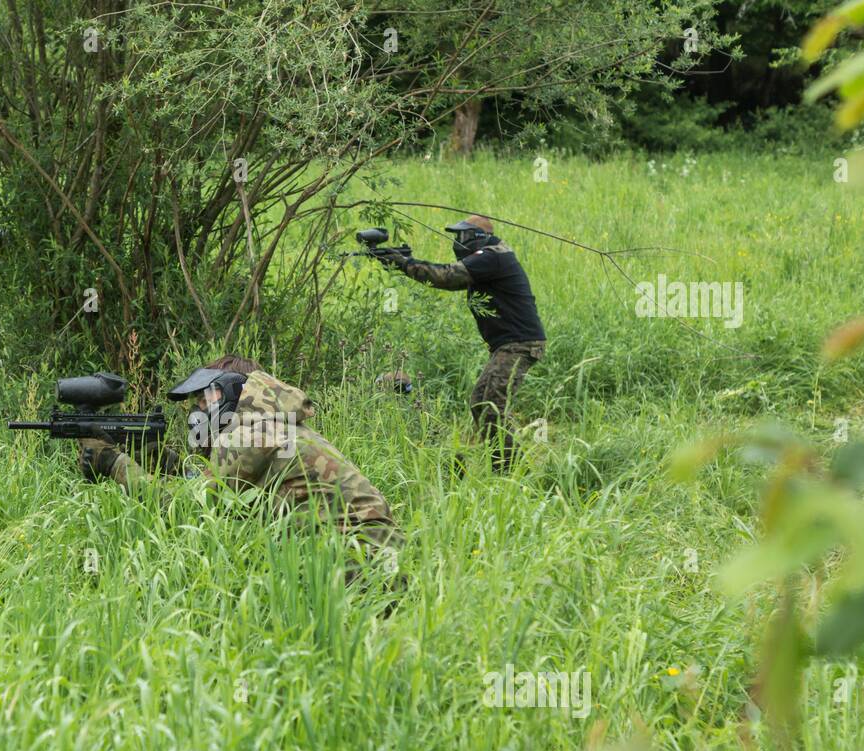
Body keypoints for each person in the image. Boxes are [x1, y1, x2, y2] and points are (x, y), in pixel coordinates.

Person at [78, 355, 403, 584]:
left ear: (232, 394)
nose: (196, 411)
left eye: (204, 400)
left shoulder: (252, 432)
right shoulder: (270, 425)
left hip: (360, 560)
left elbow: (191, 508)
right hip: (366, 554)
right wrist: (157, 458)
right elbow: (227, 492)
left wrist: (113, 463)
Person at [371, 215, 545, 472]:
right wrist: (406, 262)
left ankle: (512, 469)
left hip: (519, 344)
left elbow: (447, 277)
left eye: (462, 236)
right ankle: (505, 465)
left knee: (492, 405)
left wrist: (405, 264)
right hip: (509, 344)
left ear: (479, 236)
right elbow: (445, 272)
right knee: (480, 402)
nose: (457, 241)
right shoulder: (491, 256)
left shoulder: (492, 256)